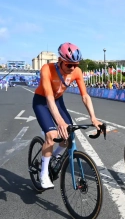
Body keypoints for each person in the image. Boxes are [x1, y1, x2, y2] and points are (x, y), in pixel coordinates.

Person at [32, 42, 102, 189]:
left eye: (75, 65)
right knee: (52, 135)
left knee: (68, 137)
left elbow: (85, 96)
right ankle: (43, 174)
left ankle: (54, 157)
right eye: (69, 65)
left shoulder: (77, 72)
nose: (72, 68)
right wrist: (59, 122)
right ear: (59, 61)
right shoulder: (47, 69)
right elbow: (49, 98)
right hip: (42, 101)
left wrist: (93, 117)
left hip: (58, 101)